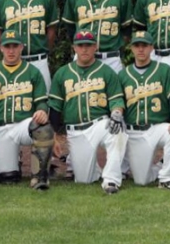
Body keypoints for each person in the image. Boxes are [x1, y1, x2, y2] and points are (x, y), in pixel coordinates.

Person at [48, 31, 127, 194]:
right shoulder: (62, 73)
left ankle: (111, 180)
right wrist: (54, 136)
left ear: (95, 47)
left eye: (88, 45)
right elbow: (55, 107)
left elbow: (116, 99)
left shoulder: (106, 71)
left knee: (118, 132)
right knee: (84, 179)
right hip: (76, 131)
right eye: (80, 45)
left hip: (100, 124)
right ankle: (96, 171)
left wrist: (117, 112)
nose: (84, 49)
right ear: (74, 48)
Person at [0, 30, 53, 189]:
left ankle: (39, 176)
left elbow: (41, 101)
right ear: (1, 48)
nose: (11, 50)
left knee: (42, 128)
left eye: (15, 46)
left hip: (23, 125)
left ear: (21, 47)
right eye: (7, 46)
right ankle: (7, 164)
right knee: (8, 178)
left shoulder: (33, 72)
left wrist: (41, 110)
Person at [118, 31, 170, 190]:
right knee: (142, 181)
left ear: (151, 48)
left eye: (144, 45)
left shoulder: (164, 69)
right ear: (131, 48)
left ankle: (167, 178)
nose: (141, 49)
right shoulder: (123, 74)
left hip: (157, 127)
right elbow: (118, 102)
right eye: (137, 45)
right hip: (134, 132)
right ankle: (161, 165)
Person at [62, 0, 133, 73]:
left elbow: (127, 29)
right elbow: (70, 27)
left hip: (111, 58)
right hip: (82, 57)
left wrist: (116, 46)